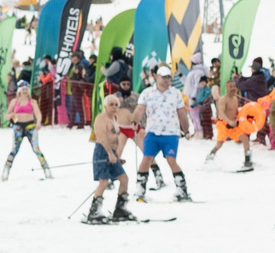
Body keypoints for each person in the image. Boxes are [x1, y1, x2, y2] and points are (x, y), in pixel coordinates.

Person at [133, 67, 194, 202]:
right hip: (153, 132)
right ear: (156, 76)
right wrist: (135, 121)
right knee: (146, 159)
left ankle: (181, 189)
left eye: (168, 77)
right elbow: (140, 109)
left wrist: (186, 129)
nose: (166, 80)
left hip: (171, 133)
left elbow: (181, 112)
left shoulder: (176, 93)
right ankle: (140, 189)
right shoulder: (147, 92)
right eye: (163, 77)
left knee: (171, 160)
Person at [81, 88, 134, 223]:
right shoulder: (101, 118)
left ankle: (120, 209)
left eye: (116, 104)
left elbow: (114, 138)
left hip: (112, 154)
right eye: (111, 104)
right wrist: (110, 153)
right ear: (105, 106)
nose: (114, 107)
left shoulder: (114, 118)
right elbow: (102, 136)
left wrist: (116, 155)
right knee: (103, 182)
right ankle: (94, 212)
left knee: (124, 179)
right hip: (102, 151)